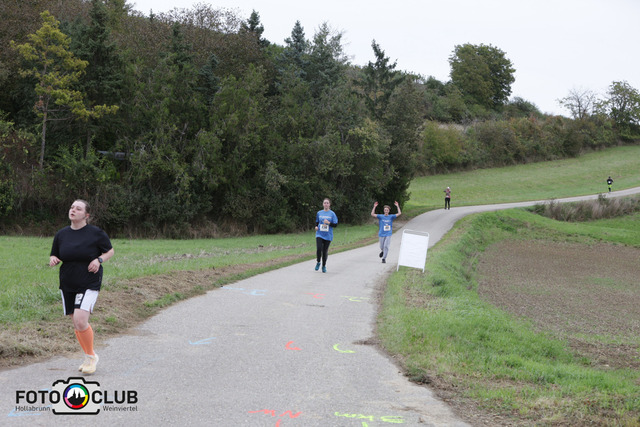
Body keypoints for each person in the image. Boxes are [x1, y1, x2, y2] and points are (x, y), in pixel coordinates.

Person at [49, 199, 114, 374]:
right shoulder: (61, 234)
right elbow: (55, 254)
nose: (73, 210)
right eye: (72, 207)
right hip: (68, 282)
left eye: (78, 209)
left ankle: (91, 357)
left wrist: (99, 260)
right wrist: (53, 259)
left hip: (89, 281)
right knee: (76, 323)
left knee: (80, 320)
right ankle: (88, 355)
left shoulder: (96, 233)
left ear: (86, 215)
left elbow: (110, 251)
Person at [314, 198, 338, 273]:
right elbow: (317, 222)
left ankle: (324, 266)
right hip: (319, 234)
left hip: (328, 235)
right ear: (323, 204)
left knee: (324, 251)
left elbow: (335, 224)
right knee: (319, 248)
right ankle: (318, 262)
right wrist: (316, 227)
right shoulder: (319, 213)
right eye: (325, 203)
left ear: (329, 204)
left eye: (327, 203)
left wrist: (328, 223)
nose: (326, 204)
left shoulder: (332, 214)